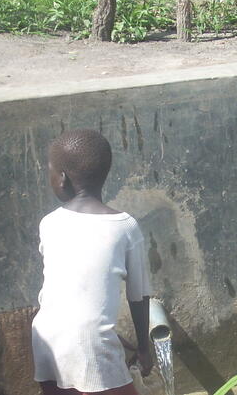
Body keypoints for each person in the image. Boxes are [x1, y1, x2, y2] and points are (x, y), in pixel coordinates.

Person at [32, 129, 154, 395]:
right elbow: (138, 296)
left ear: (62, 178)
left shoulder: (49, 223)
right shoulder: (125, 227)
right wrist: (144, 348)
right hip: (91, 344)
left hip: (46, 337)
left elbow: (72, 292)